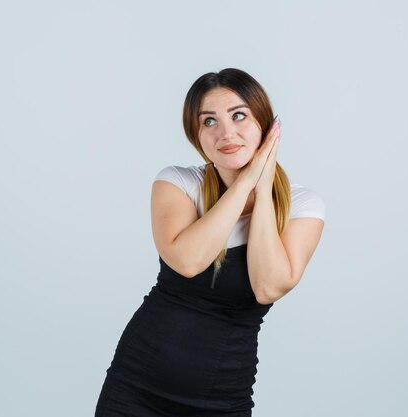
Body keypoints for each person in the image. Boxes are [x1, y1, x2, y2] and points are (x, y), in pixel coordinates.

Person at [94, 68, 325, 416]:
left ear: (263, 122)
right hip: (135, 386)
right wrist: (246, 181)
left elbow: (268, 287)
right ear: (196, 135)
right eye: (209, 121)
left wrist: (264, 190)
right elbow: (187, 262)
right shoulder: (177, 184)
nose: (226, 132)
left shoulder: (303, 207)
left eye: (238, 116)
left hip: (221, 397)